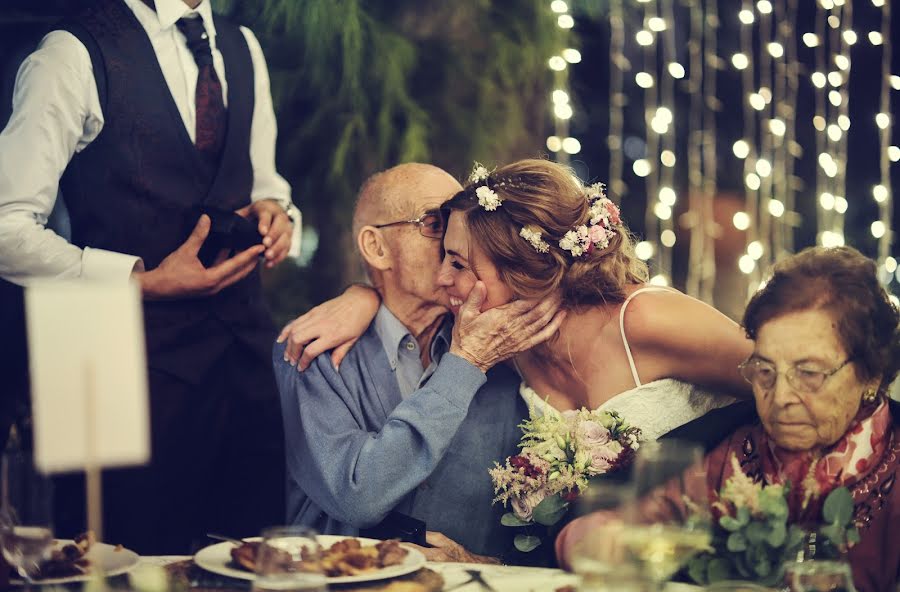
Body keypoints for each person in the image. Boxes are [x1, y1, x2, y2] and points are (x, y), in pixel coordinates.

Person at [0, 0, 298, 554]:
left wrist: (278, 214)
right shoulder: (72, 52)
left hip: (245, 362)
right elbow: (6, 225)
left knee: (255, 562)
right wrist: (134, 278)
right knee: (132, 564)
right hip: (123, 366)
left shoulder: (242, 46)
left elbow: (264, 183)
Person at [281, 159, 753, 443]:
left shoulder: (646, 319)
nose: (444, 276)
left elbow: (786, 381)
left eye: (460, 264)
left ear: (524, 271)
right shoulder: (506, 349)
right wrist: (364, 295)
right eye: (441, 251)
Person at [556, 246, 900, 592]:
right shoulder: (738, 452)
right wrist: (594, 537)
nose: (780, 398)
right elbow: (633, 521)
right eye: (765, 371)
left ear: (871, 373)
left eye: (809, 373)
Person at [273, 163, 564, 561]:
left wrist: (483, 563)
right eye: (434, 223)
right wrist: (465, 365)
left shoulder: (509, 344)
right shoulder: (311, 348)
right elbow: (356, 495)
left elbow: (551, 526)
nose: (456, 237)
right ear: (376, 248)